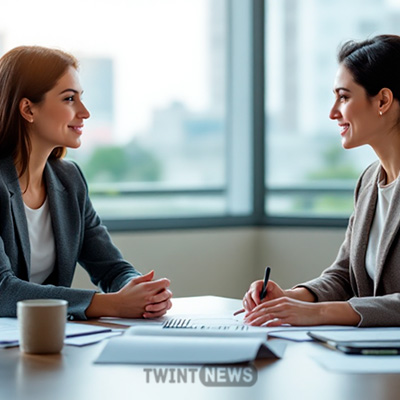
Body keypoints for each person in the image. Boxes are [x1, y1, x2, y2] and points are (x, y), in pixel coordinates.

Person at [0, 45, 172, 320]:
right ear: (28, 109)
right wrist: (112, 305)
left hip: (45, 341)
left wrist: (140, 291)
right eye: (69, 99)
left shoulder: (70, 180)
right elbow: (3, 290)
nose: (85, 112)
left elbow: (112, 268)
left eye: (81, 98)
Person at [242, 34, 400, 328]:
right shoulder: (369, 182)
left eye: (344, 96)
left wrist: (320, 313)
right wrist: (290, 298)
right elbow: (343, 277)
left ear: (382, 100)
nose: (333, 112)